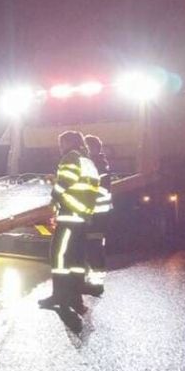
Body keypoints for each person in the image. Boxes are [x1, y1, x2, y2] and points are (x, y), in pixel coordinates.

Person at [38, 130, 100, 312]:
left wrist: (53, 198)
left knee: (59, 256)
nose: (60, 147)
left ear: (69, 143)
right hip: (82, 216)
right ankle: (76, 299)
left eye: (62, 143)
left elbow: (65, 182)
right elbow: (83, 185)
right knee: (76, 259)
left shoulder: (70, 158)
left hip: (70, 214)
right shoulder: (87, 161)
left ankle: (61, 296)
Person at [83, 134, 112, 296]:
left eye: (86, 148)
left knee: (94, 247)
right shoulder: (99, 163)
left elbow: (98, 189)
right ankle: (93, 280)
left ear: (93, 148)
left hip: (96, 213)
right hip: (97, 212)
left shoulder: (97, 165)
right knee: (92, 246)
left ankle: (97, 283)